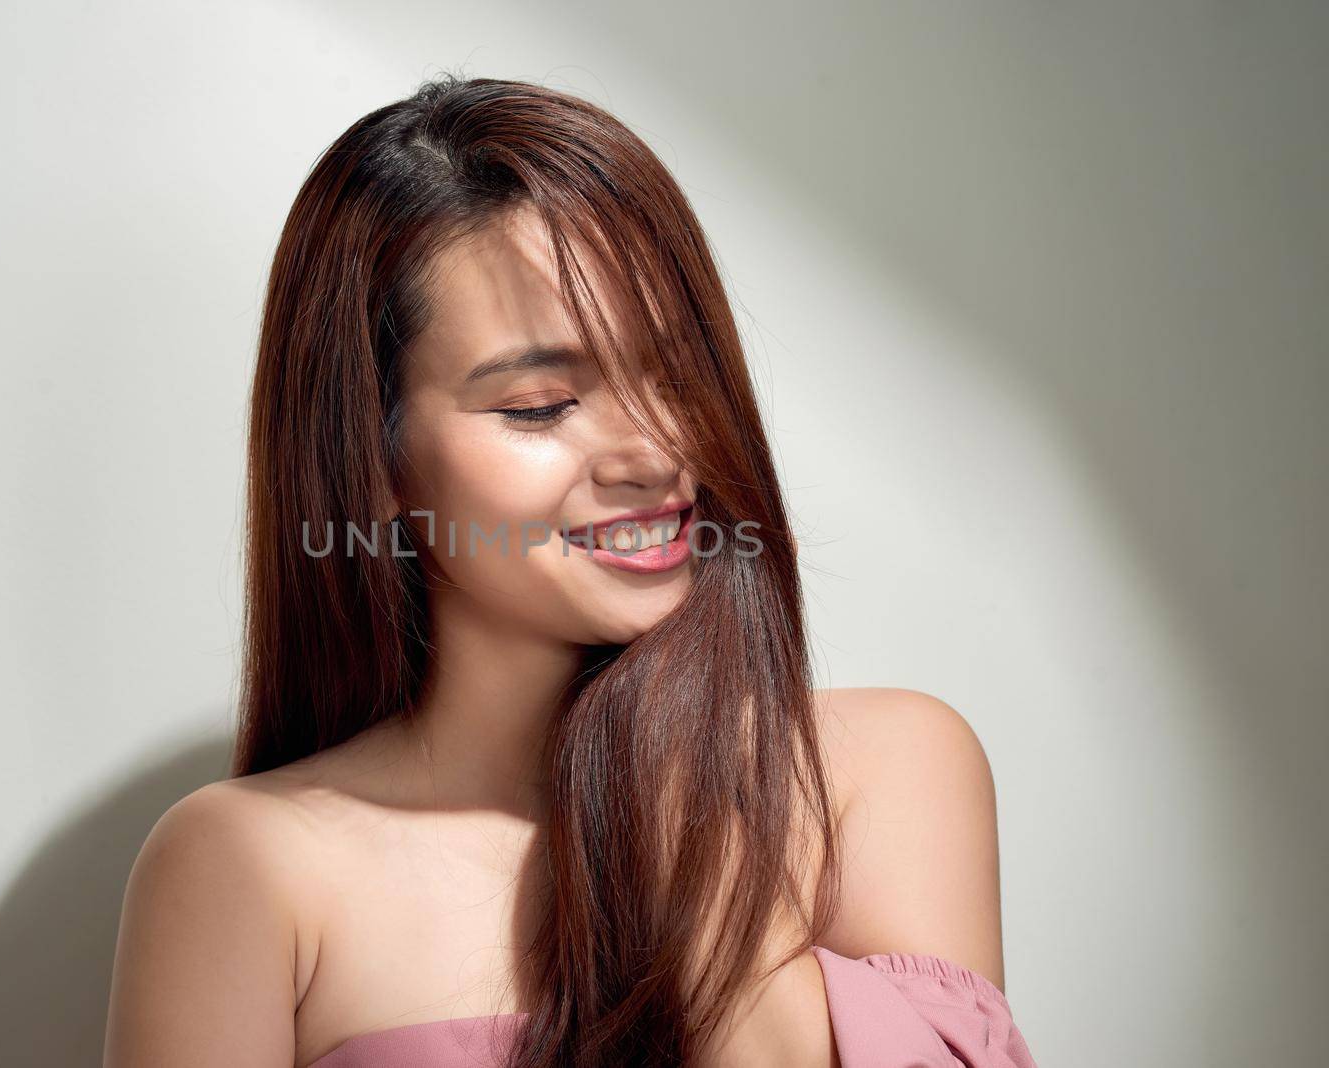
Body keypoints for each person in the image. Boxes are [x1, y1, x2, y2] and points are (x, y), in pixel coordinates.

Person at [103, 74, 1037, 1068]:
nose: (651, 451)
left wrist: (689, 825)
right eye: (539, 406)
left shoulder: (882, 775)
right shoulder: (248, 868)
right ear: (370, 465)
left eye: (677, 374)